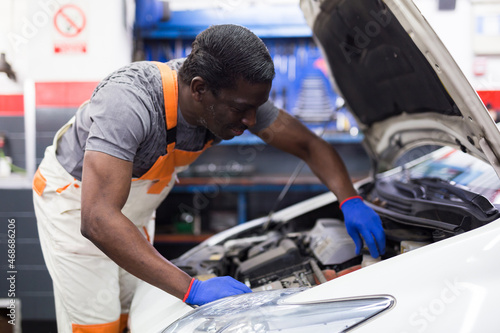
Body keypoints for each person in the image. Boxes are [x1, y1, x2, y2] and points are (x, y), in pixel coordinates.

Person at [32, 24, 385, 333]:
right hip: (75, 203)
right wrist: (191, 289)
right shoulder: (128, 103)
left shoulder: (234, 96)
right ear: (199, 89)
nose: (251, 121)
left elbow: (309, 146)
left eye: (255, 107)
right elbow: (97, 219)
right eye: (241, 109)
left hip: (129, 209)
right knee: (98, 323)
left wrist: (350, 199)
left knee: (131, 313)